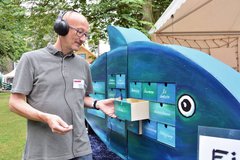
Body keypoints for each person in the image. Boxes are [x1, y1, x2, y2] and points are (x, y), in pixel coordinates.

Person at [8, 11, 116, 160]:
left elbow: (81, 97)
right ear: (61, 27)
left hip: (81, 150)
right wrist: (45, 117)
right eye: (80, 32)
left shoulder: (83, 65)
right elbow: (15, 103)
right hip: (44, 152)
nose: (83, 39)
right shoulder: (31, 59)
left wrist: (98, 104)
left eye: (86, 34)